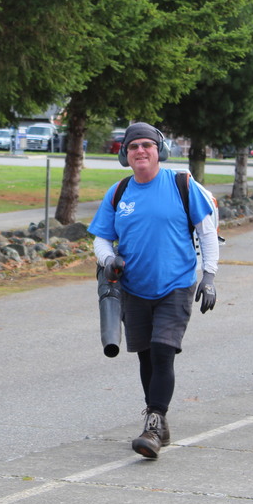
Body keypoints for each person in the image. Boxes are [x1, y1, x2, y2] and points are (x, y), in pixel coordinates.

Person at [88, 122, 219, 459]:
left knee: (163, 350)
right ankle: (157, 422)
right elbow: (101, 237)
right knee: (146, 355)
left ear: (159, 150)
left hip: (175, 284)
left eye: (147, 145)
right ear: (125, 154)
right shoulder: (119, 192)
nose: (141, 151)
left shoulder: (182, 184)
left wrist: (209, 276)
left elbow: (207, 230)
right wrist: (108, 259)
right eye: (134, 147)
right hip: (134, 288)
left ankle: (154, 422)